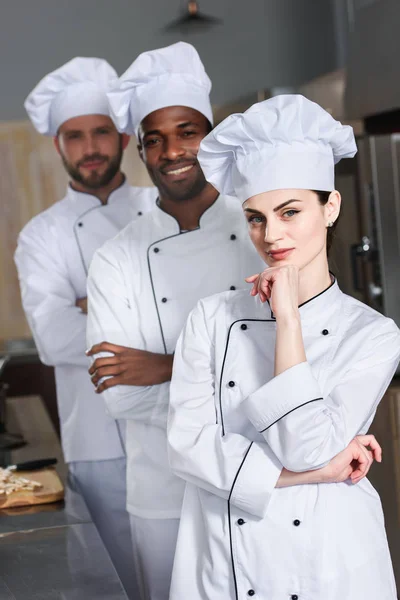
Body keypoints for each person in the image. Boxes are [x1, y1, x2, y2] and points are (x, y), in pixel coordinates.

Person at [167, 94, 400, 600]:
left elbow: (302, 443)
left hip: (331, 559)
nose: (271, 235)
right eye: (256, 217)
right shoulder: (211, 318)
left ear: (330, 206)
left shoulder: (373, 334)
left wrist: (287, 319)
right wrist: (318, 473)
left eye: (290, 211)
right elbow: (187, 450)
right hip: (226, 555)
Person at [85, 42, 264, 600]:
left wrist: (164, 367)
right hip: (161, 492)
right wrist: (238, 383)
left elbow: (290, 368)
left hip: (257, 481)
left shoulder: (261, 229)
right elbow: (120, 395)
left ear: (211, 135)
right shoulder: (117, 256)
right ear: (140, 150)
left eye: (187, 131)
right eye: (154, 138)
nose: (172, 150)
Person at [14, 57, 156, 599]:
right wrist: (151, 316)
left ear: (123, 136)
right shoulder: (41, 236)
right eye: (75, 136)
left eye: (101, 132)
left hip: (173, 426)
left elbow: (197, 320)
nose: (90, 147)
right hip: (94, 439)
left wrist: (89, 305)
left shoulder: (162, 210)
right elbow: (54, 340)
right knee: (110, 579)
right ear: (58, 145)